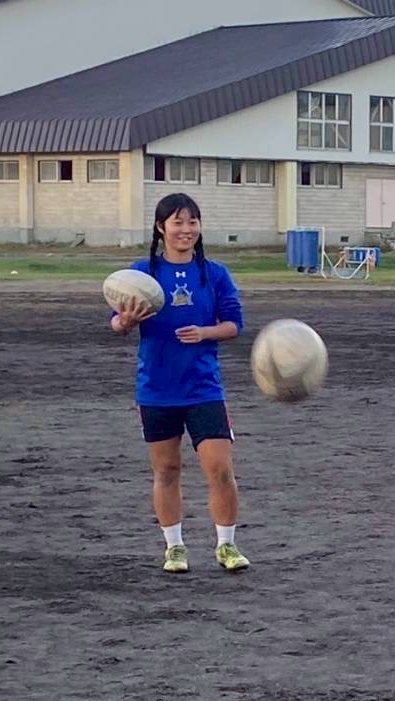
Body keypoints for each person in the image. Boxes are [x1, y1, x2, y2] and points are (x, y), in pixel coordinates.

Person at [111, 193, 250, 574]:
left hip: (204, 388)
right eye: (177, 222)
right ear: (161, 228)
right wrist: (125, 322)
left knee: (220, 469)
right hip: (156, 389)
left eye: (192, 222)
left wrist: (205, 332)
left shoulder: (214, 274)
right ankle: (174, 547)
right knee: (167, 470)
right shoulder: (141, 274)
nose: (186, 229)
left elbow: (234, 324)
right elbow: (117, 322)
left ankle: (226, 545)